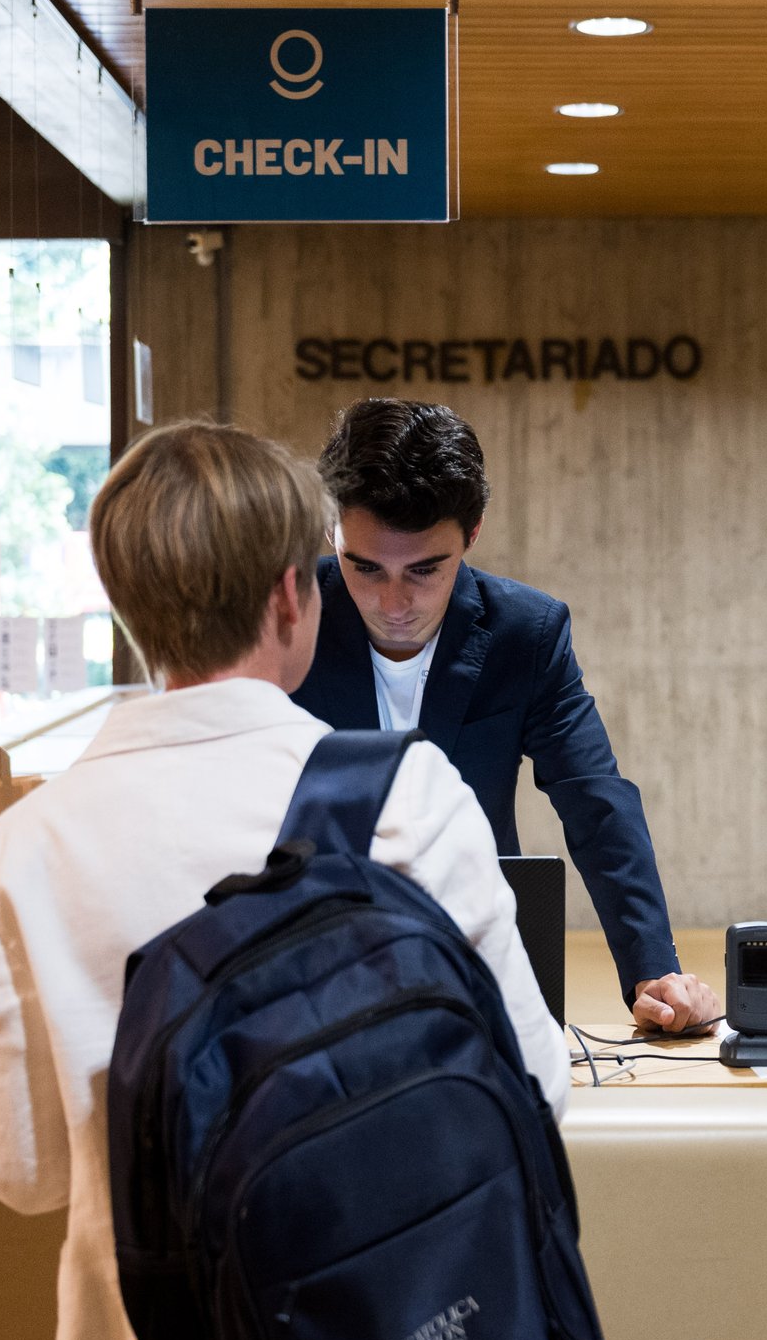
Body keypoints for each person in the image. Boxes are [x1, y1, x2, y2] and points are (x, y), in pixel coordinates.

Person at [0, 420, 569, 1340]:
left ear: (131, 605)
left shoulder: (12, 853)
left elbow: (29, 1171)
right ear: (296, 595)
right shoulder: (408, 793)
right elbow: (537, 1087)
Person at [290, 398, 718, 1033]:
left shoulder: (527, 633)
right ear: (332, 533)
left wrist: (652, 969)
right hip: (310, 959)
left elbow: (596, 802)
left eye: (425, 570)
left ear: (473, 532)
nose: (394, 602)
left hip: (475, 952)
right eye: (366, 567)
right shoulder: (288, 620)